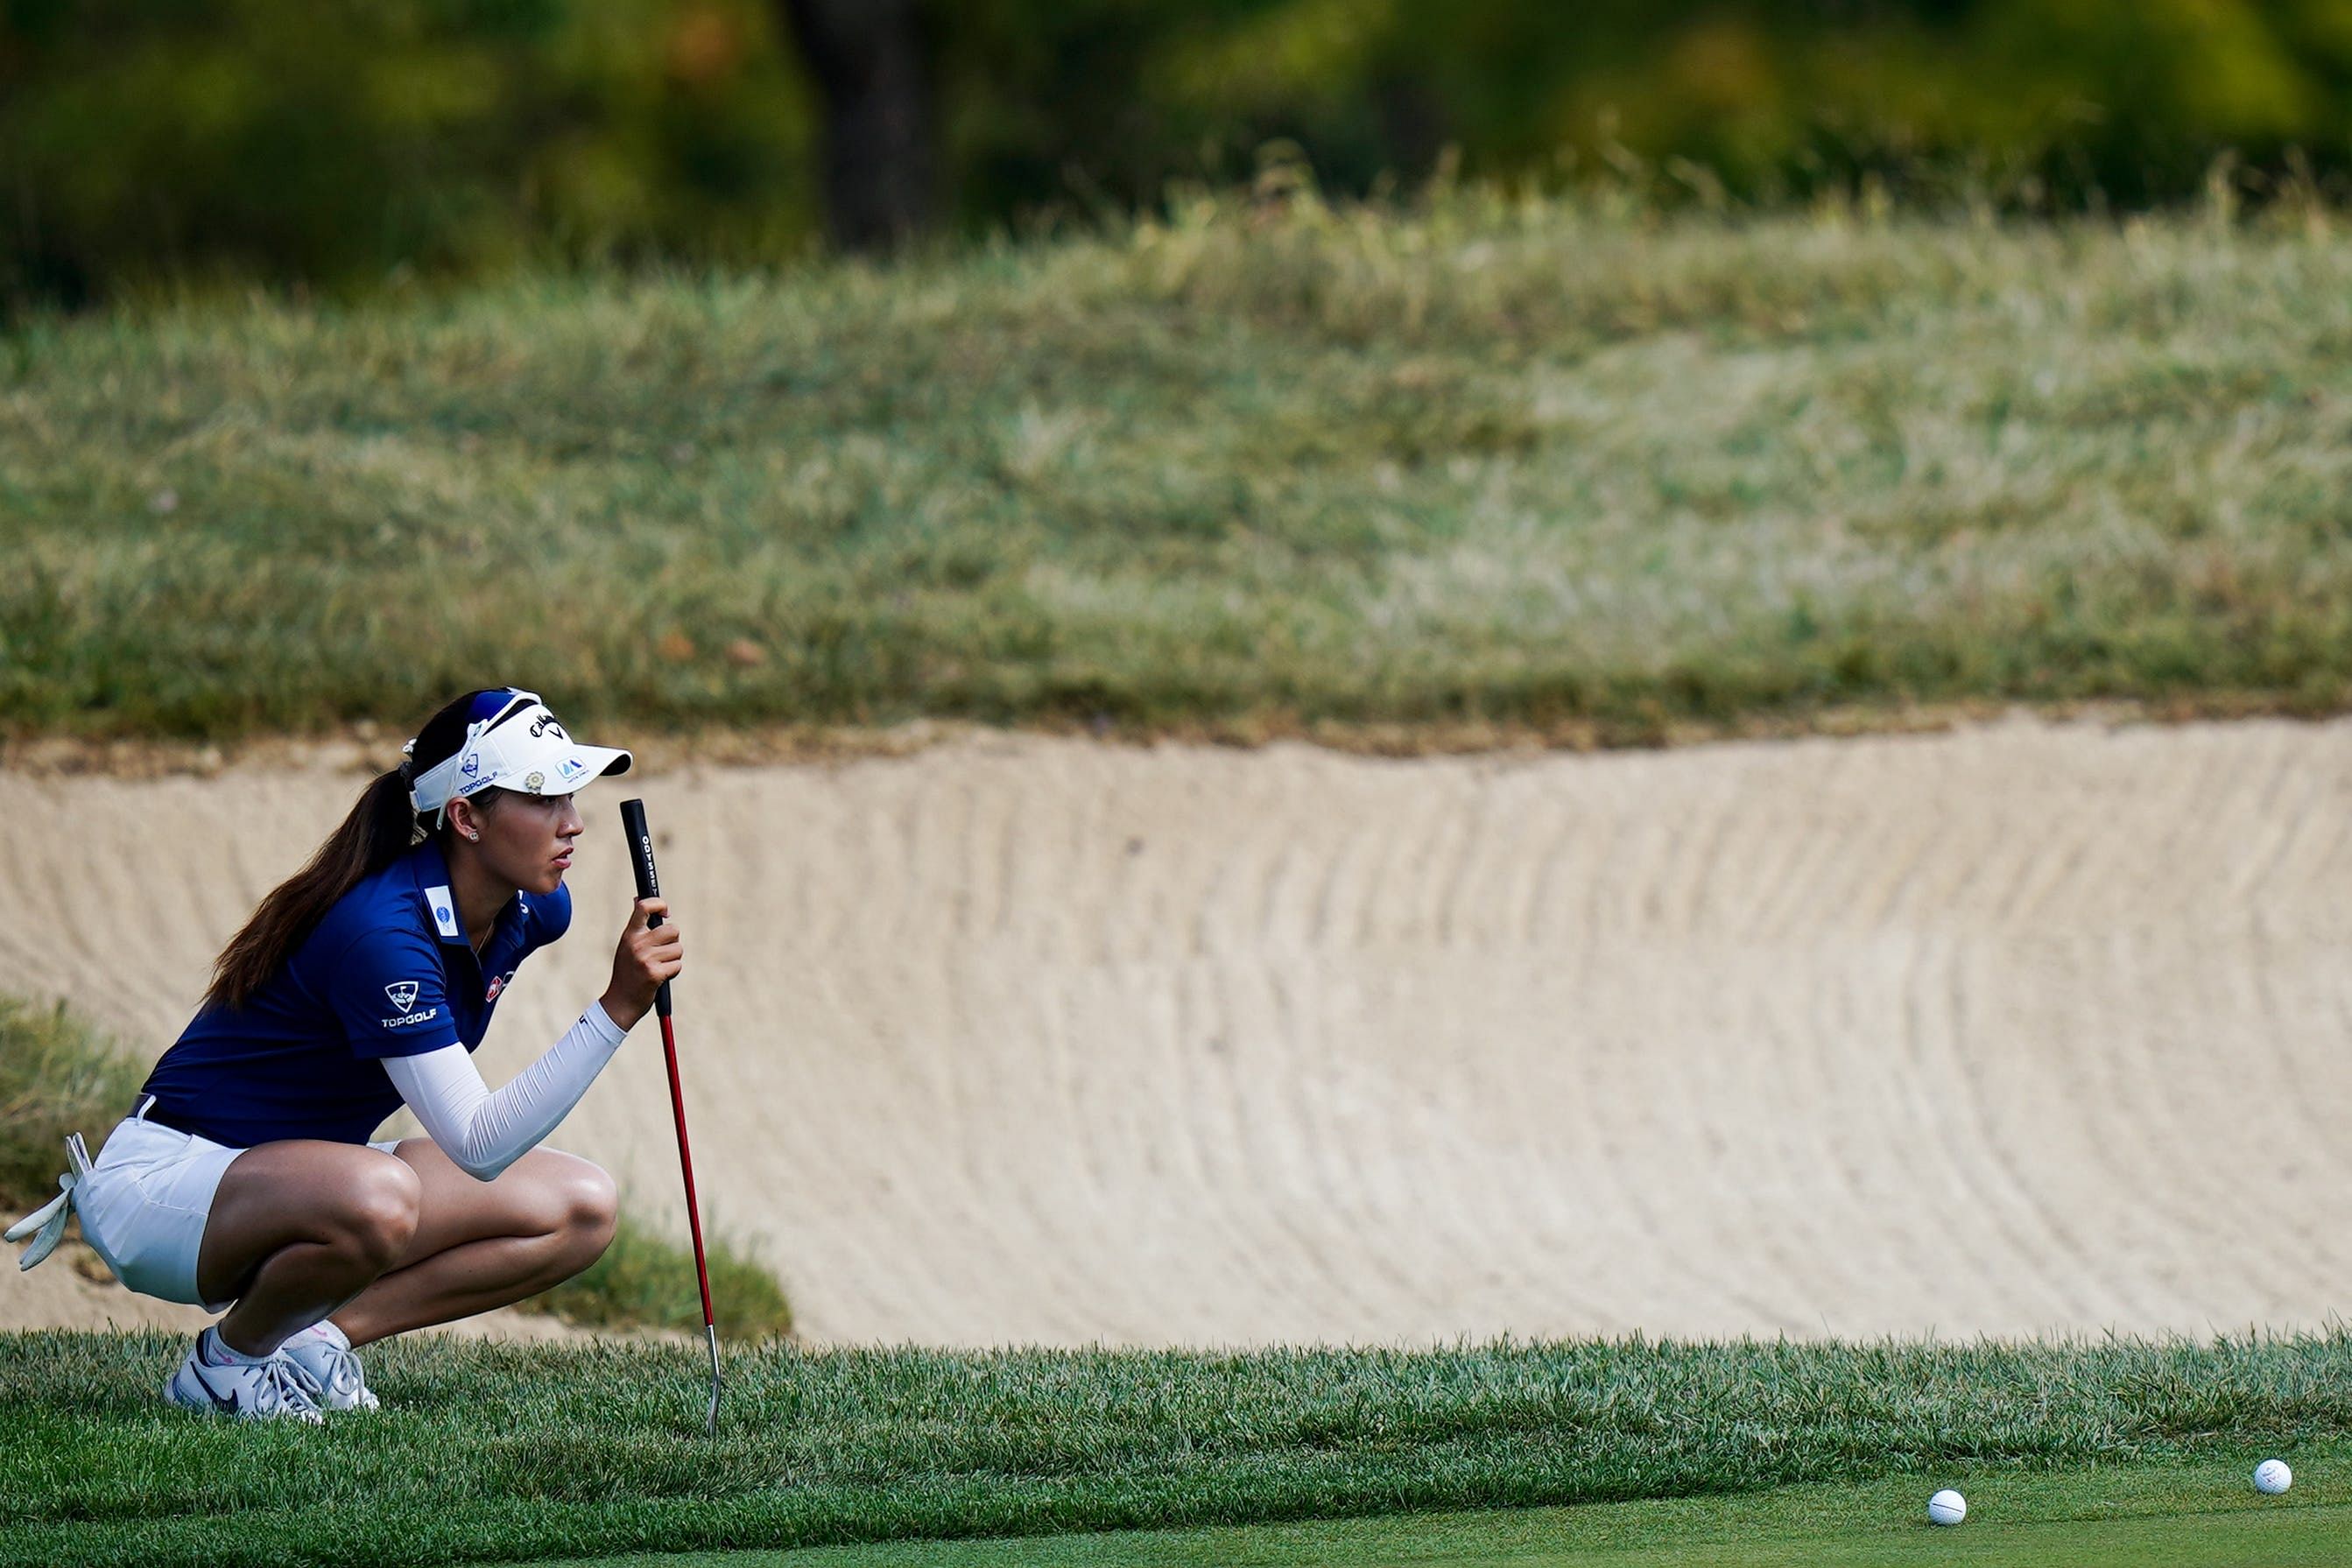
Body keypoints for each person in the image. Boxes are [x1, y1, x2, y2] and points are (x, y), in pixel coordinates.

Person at [5, 688, 683, 1421]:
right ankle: (224, 1367)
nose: (573, 822)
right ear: (464, 818)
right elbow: (478, 1142)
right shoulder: (381, 935)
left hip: (306, 1175)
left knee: (583, 1207)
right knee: (381, 1196)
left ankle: (314, 1339)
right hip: (168, 1184)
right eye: (543, 796)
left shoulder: (534, 905)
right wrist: (618, 1006)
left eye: (572, 793)